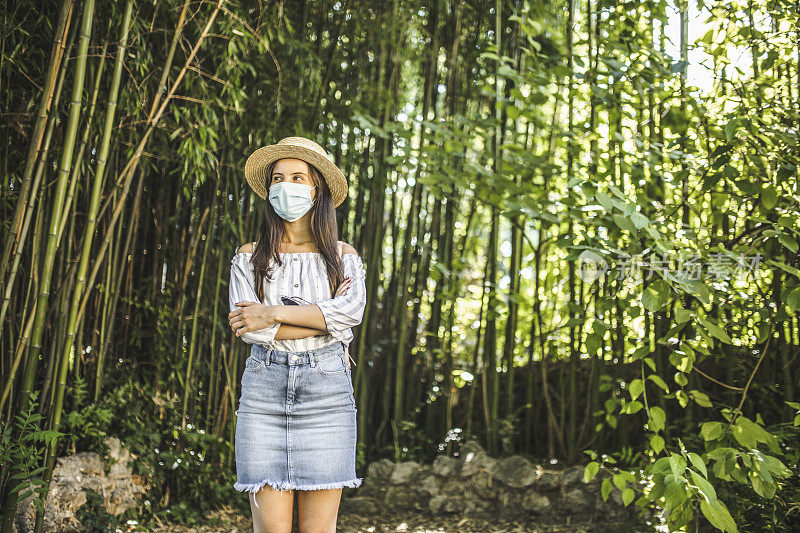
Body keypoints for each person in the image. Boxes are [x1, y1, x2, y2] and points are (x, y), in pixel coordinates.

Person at [227, 136, 366, 533]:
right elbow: (247, 328)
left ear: (315, 187)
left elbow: (348, 316)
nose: (286, 185)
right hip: (263, 393)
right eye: (278, 178)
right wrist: (320, 314)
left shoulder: (344, 257)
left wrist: (271, 312)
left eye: (297, 177)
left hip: (328, 394)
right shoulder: (250, 256)